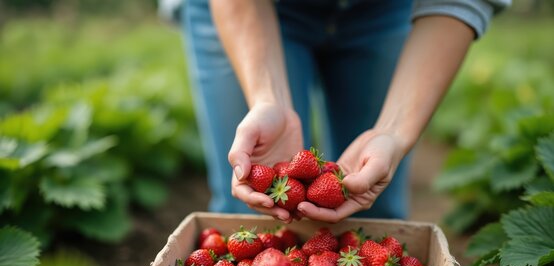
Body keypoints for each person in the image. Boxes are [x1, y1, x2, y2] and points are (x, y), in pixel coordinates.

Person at [176, 0, 510, 223]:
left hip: (387, 9)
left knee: (369, 205)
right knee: (251, 216)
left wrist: (392, 132)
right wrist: (268, 98)